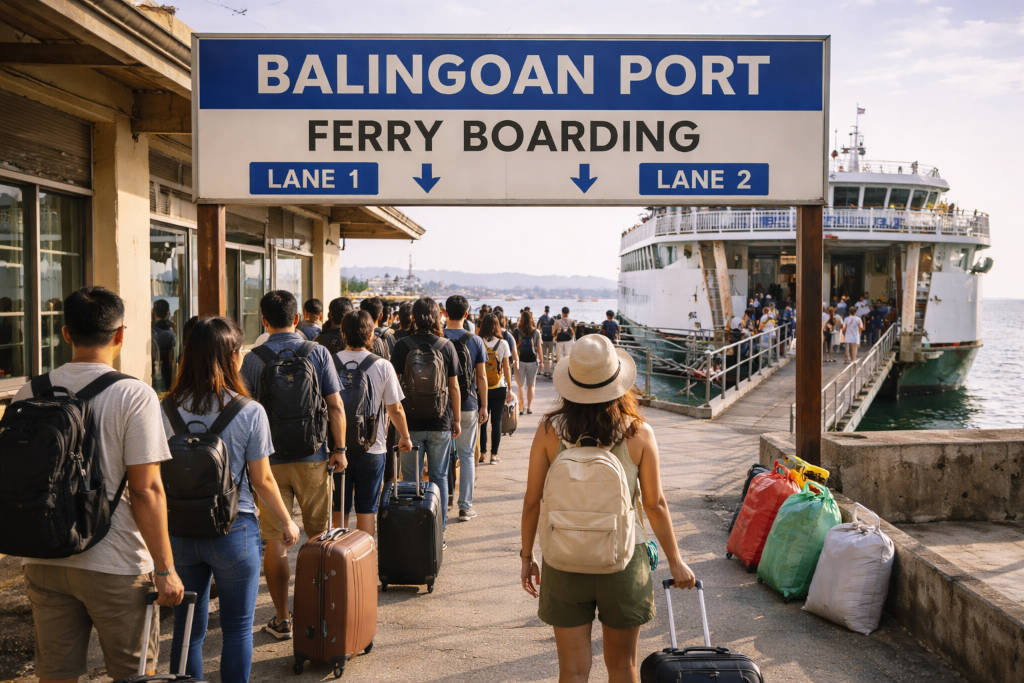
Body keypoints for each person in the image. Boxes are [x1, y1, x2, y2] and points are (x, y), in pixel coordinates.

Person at [15, 287, 184, 681]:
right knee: (134, 674)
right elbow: (146, 490)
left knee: (56, 675)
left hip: (43, 558)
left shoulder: (30, 391)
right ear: (120, 334)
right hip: (117, 563)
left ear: (65, 333)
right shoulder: (134, 395)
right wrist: (165, 569)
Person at [520, 334, 696, 682]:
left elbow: (531, 500)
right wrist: (676, 561)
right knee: (623, 666)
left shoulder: (548, 431)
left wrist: (527, 556)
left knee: (572, 670)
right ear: (618, 382)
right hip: (624, 560)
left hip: (564, 558)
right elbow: (655, 504)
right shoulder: (639, 433)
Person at [162, 316, 300, 682]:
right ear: (233, 357)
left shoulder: (165, 409)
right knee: (237, 628)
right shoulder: (249, 411)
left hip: (179, 531)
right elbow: (263, 480)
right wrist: (286, 521)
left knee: (187, 629)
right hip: (235, 529)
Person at [241, 290, 346, 641]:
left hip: (268, 463)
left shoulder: (253, 359)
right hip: (314, 456)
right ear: (297, 319)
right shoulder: (317, 353)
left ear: (264, 321)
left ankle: (283, 619)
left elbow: (244, 411)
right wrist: (340, 449)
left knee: (275, 540)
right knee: (317, 538)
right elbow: (335, 406)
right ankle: (315, 613)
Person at [335, 310, 413, 535]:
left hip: (337, 447)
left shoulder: (331, 361)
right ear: (371, 334)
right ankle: (365, 555)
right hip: (372, 445)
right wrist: (405, 437)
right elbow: (395, 408)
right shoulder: (382, 366)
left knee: (339, 507)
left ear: (343, 333)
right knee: (367, 509)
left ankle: (338, 554)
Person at [391, 297, 462, 533]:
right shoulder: (446, 346)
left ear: (413, 317)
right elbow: (454, 387)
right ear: (437, 317)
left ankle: (414, 531)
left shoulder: (402, 346)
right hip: (440, 421)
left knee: (410, 479)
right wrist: (457, 419)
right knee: (439, 476)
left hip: (409, 423)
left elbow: (395, 387)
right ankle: (438, 532)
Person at [444, 295, 488, 521]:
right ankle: (465, 507)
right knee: (467, 455)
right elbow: (481, 376)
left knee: (442, 457)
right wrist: (484, 405)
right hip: (468, 403)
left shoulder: (438, 338)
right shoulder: (475, 340)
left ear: (445, 312)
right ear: (467, 313)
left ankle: (442, 502)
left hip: (442, 405)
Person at [478, 313, 514, 464]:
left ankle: (482, 453)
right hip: (499, 387)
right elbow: (506, 367)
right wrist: (510, 388)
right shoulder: (503, 343)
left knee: (482, 421)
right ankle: (494, 455)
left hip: (482, 387)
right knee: (496, 422)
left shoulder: (478, 342)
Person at [514, 310, 542, 415]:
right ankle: (529, 407)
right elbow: (539, 347)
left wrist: (514, 360)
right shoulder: (536, 332)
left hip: (520, 361)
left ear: (521, 319)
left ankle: (521, 408)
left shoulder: (517, 331)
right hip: (532, 361)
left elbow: (514, 348)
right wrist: (541, 361)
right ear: (531, 319)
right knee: (531, 385)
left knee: (520, 385)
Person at [152, 298, 177, 393]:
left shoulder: (151, 332)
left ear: (154, 314)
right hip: (168, 374)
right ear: (168, 314)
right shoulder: (171, 334)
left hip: (153, 372)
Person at [538, 305, 556, 377]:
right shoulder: (552, 319)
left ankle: (544, 371)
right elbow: (554, 329)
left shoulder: (541, 318)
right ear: (549, 311)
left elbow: (538, 328)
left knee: (544, 356)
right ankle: (550, 372)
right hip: (550, 339)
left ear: (544, 310)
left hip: (543, 339)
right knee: (550, 356)